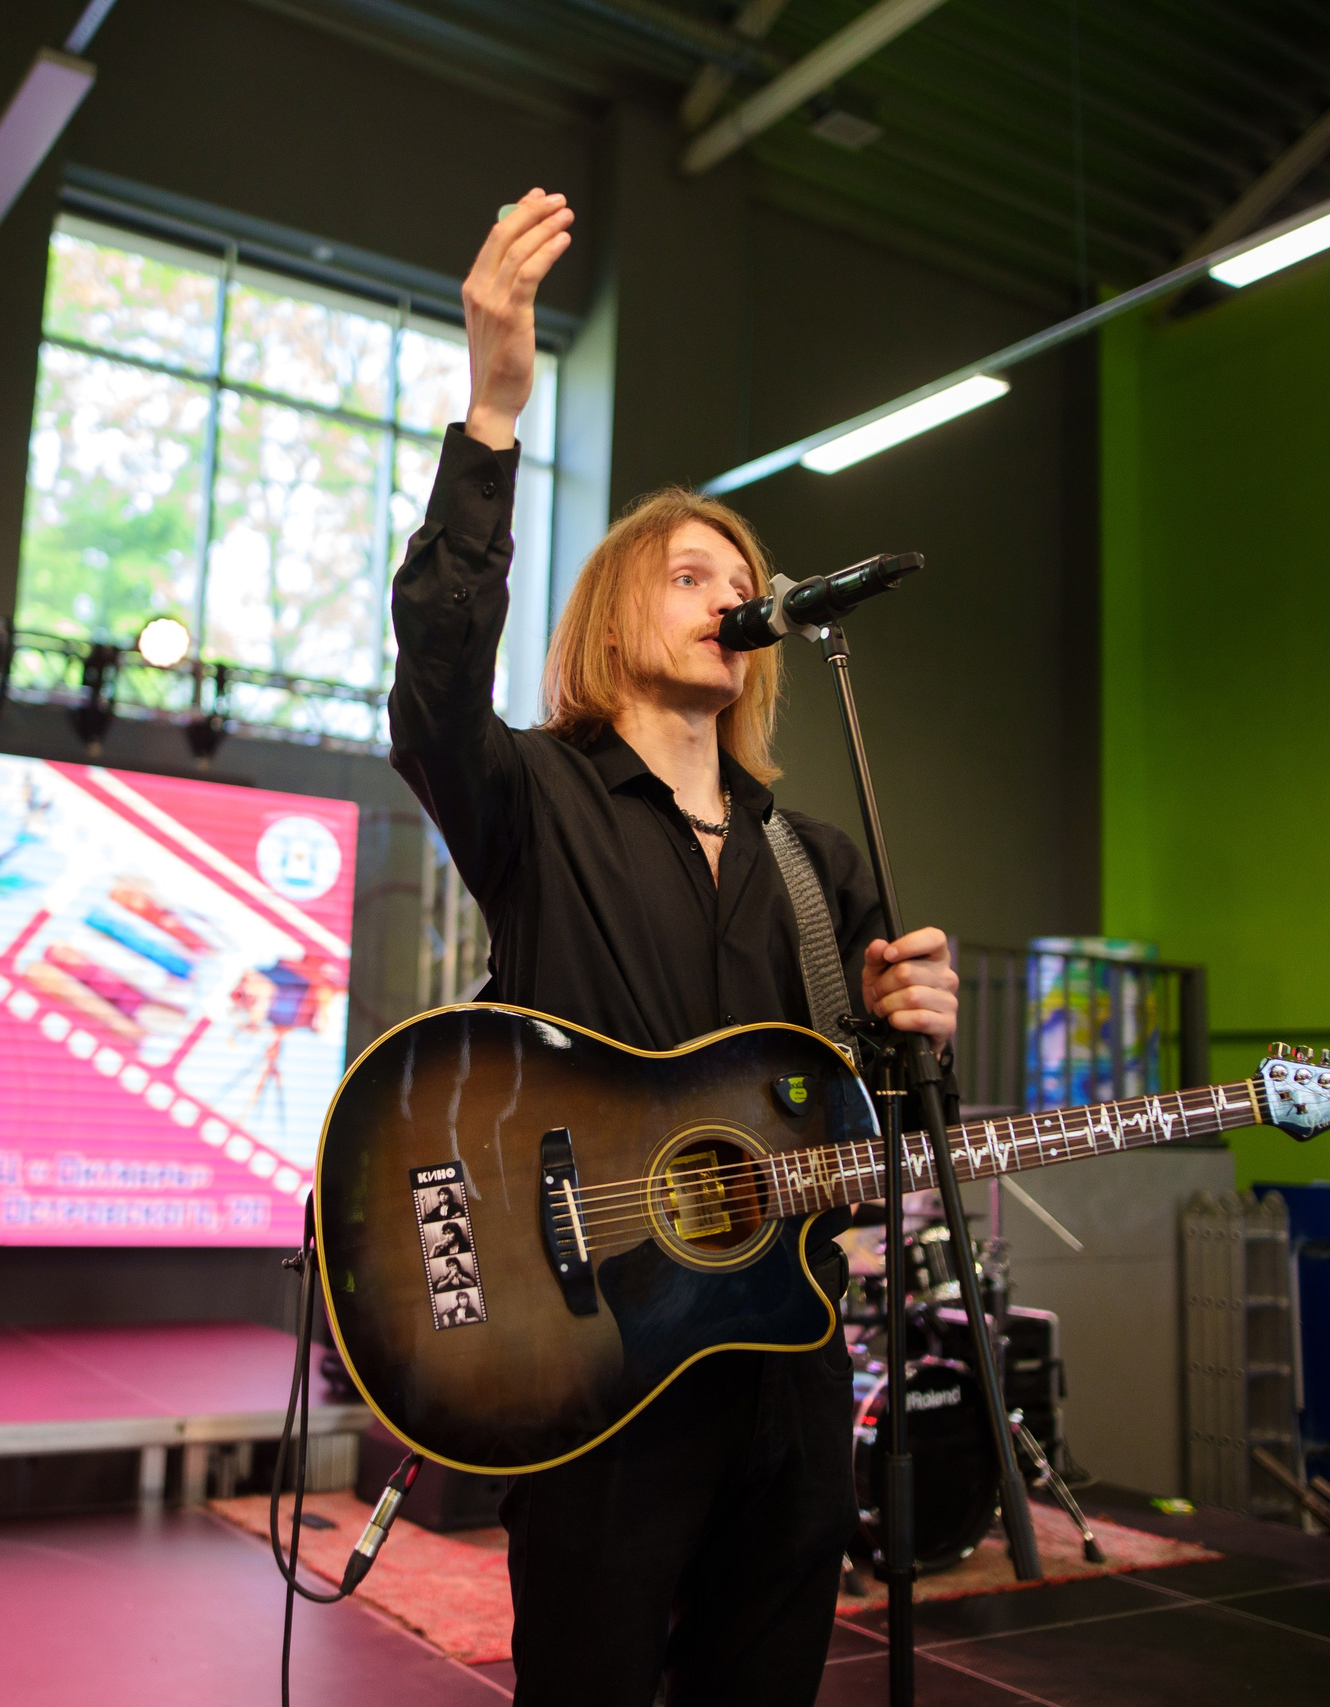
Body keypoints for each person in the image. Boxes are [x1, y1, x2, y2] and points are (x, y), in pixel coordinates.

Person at [389, 188, 958, 1707]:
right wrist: (493, 416)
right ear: (615, 611)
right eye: (689, 573)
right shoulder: (534, 794)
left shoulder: (815, 860)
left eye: (737, 576)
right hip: (590, 1364)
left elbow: (879, 1139)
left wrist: (920, 1046)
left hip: (784, 1364)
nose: (728, 594)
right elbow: (432, 688)